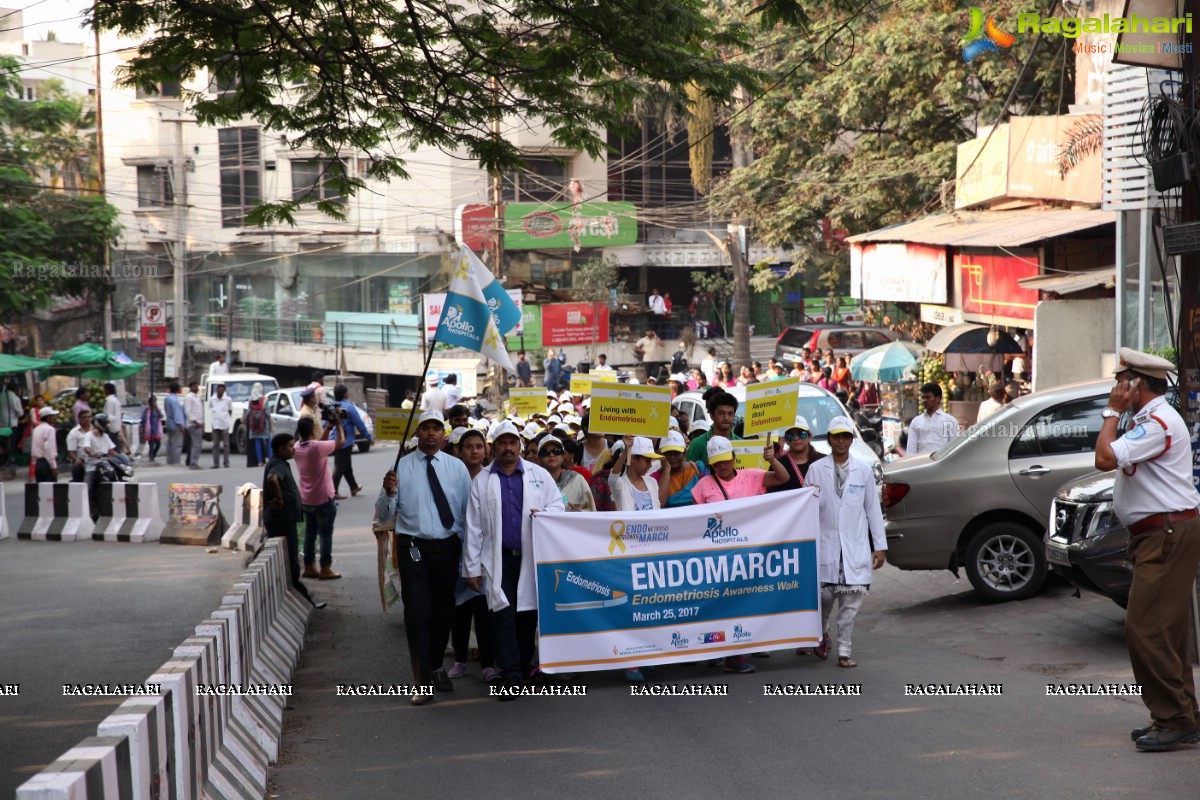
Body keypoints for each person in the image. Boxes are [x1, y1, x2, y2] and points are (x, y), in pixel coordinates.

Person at [1094, 348, 1200, 751]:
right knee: (1165, 631)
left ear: (1136, 384)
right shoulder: (1146, 419)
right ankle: (1182, 714)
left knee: (1145, 629)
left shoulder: (1156, 422)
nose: (1116, 387)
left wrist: (1109, 412)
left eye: (1122, 381)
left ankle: (1174, 719)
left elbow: (1105, 457)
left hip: (1167, 535)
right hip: (1160, 534)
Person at [377, 410, 472, 704]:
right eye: (425, 428)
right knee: (417, 612)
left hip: (447, 547)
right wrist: (389, 492)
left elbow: (469, 513)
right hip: (413, 546)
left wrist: (471, 554)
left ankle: (434, 667)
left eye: (436, 428)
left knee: (443, 611)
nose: (431, 433)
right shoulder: (400, 467)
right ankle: (421, 682)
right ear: (417, 433)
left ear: (443, 433)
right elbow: (384, 514)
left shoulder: (457, 468)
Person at [464, 421, 564, 698]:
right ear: (493, 447)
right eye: (502, 443)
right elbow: (473, 528)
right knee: (503, 616)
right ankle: (510, 675)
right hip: (497, 560)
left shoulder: (539, 475)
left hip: (531, 557)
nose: (508, 448)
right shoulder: (482, 481)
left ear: (519, 446)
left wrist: (543, 514)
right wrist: (471, 568)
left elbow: (558, 505)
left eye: (512, 443)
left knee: (527, 616)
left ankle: (523, 667)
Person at [691, 435, 788, 674]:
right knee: (720, 603)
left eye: (725, 460)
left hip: (751, 554)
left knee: (744, 602)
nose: (722, 466)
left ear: (734, 458)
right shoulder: (703, 486)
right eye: (716, 463)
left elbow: (783, 478)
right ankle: (720, 650)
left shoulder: (752, 475)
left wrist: (772, 459)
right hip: (718, 556)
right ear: (710, 464)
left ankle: (736, 653)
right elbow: (694, 521)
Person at [803, 415, 886, 668]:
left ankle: (844, 650)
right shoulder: (816, 469)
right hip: (826, 544)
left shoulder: (863, 469)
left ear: (851, 439)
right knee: (824, 600)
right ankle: (822, 632)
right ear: (829, 439)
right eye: (836, 436)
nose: (841, 441)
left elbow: (872, 509)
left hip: (855, 545)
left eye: (845, 437)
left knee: (850, 605)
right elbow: (805, 507)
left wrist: (879, 546)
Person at [447, 426, 497, 684]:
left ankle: (488, 664)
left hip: (485, 552)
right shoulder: (451, 477)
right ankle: (459, 660)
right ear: (459, 451)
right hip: (456, 551)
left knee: (484, 609)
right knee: (460, 609)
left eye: (479, 446)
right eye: (469, 447)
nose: (475, 451)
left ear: (486, 450)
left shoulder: (493, 478)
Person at [263, 432, 326, 610]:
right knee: (291, 563)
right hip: (281, 520)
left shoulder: (280, 463)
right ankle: (305, 601)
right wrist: (280, 498)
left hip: (283, 520)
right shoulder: (277, 464)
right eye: (290, 446)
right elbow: (272, 478)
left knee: (288, 561)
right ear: (280, 448)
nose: (294, 449)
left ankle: (297, 598)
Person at [294, 414, 345, 581]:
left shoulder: (297, 447)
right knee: (325, 534)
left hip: (307, 499)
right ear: (311, 431)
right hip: (323, 499)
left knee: (310, 533)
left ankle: (309, 566)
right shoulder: (316, 448)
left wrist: (328, 427)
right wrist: (338, 426)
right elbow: (340, 443)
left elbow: (320, 444)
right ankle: (325, 567)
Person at [328, 384, 370, 499]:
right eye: (347, 392)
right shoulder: (349, 407)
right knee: (340, 466)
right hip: (345, 442)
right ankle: (333, 491)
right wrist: (368, 437)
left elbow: (326, 422)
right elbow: (359, 424)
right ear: (344, 394)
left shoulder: (332, 406)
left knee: (346, 466)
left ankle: (353, 487)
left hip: (334, 440)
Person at [768, 415, 824, 492]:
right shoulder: (778, 465)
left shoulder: (823, 461)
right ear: (786, 440)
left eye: (801, 434)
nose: (796, 438)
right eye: (791, 435)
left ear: (809, 437)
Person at [685, 391, 742, 466]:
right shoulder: (697, 444)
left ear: (734, 415)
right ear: (712, 415)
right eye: (721, 413)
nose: (726, 418)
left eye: (730, 414)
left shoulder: (741, 444)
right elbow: (688, 474)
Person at [540, 435, 596, 511]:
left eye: (556, 451)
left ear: (562, 456)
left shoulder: (577, 479)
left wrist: (579, 513)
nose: (551, 455)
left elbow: (591, 509)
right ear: (539, 457)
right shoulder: (532, 480)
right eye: (545, 452)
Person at [907, 382, 960, 455]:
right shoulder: (916, 422)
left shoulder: (950, 421)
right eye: (923, 397)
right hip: (921, 463)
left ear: (938, 398)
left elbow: (955, 448)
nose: (924, 400)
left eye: (928, 397)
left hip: (942, 464)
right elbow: (911, 450)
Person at [82, 413, 118, 519]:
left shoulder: (106, 436)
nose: (107, 425)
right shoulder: (89, 435)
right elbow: (86, 448)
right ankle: (87, 508)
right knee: (87, 487)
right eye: (105, 423)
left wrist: (122, 458)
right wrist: (93, 453)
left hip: (105, 463)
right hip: (92, 465)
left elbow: (111, 450)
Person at [657, 430, 705, 508]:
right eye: (668, 453)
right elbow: (658, 505)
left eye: (676, 453)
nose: (672, 457)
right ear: (661, 455)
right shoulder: (656, 477)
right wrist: (666, 472)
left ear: (684, 453)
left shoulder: (698, 469)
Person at [245, 383, 273, 468]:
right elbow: (268, 414)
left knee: (258, 442)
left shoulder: (250, 400)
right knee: (268, 442)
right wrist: (271, 425)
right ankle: (271, 460)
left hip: (254, 426)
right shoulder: (264, 400)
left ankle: (260, 462)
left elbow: (248, 413)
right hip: (264, 425)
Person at [31, 406, 59, 482]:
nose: (55, 418)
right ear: (48, 417)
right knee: (50, 491)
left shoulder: (37, 429)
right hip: (46, 464)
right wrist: (53, 466)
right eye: (53, 416)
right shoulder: (50, 429)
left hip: (38, 464)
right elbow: (49, 449)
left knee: (41, 491)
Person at [209, 383, 233, 468]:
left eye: (222, 389)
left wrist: (227, 420)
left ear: (224, 391)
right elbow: (211, 408)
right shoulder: (212, 399)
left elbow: (230, 411)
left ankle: (226, 463)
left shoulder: (228, 399)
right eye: (219, 389)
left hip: (224, 424)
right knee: (215, 445)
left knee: (226, 445)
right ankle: (216, 463)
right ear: (217, 390)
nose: (220, 391)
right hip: (215, 424)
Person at [66, 409, 93, 483]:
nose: (87, 419)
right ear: (79, 419)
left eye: (89, 417)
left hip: (95, 460)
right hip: (82, 461)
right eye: (84, 417)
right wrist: (76, 459)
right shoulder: (74, 433)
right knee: (77, 468)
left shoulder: (95, 430)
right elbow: (71, 452)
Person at [163, 383, 186, 465]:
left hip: (169, 423)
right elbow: (177, 414)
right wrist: (181, 425)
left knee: (170, 443)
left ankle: (169, 461)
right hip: (175, 425)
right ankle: (175, 462)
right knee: (177, 444)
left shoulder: (167, 399)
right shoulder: (174, 401)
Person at [184, 381, 204, 469]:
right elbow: (188, 411)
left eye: (197, 387)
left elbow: (199, 411)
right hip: (193, 424)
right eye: (195, 387)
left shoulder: (197, 397)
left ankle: (194, 462)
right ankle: (193, 463)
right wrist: (196, 422)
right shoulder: (189, 397)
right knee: (196, 445)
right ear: (191, 387)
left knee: (197, 444)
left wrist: (202, 423)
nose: (197, 388)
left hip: (199, 423)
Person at [102, 383, 125, 454]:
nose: (103, 391)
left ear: (107, 390)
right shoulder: (115, 400)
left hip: (111, 428)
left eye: (104, 390)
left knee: (113, 446)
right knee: (115, 444)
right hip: (116, 426)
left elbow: (109, 416)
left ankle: (119, 459)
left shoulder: (110, 401)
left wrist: (106, 425)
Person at [140, 395, 163, 462]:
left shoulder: (157, 409)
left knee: (158, 444)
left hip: (156, 429)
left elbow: (161, 416)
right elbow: (143, 419)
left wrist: (158, 410)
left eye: (155, 401)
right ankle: (151, 457)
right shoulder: (147, 410)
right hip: (149, 429)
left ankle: (153, 454)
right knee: (151, 444)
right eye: (153, 401)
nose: (155, 403)